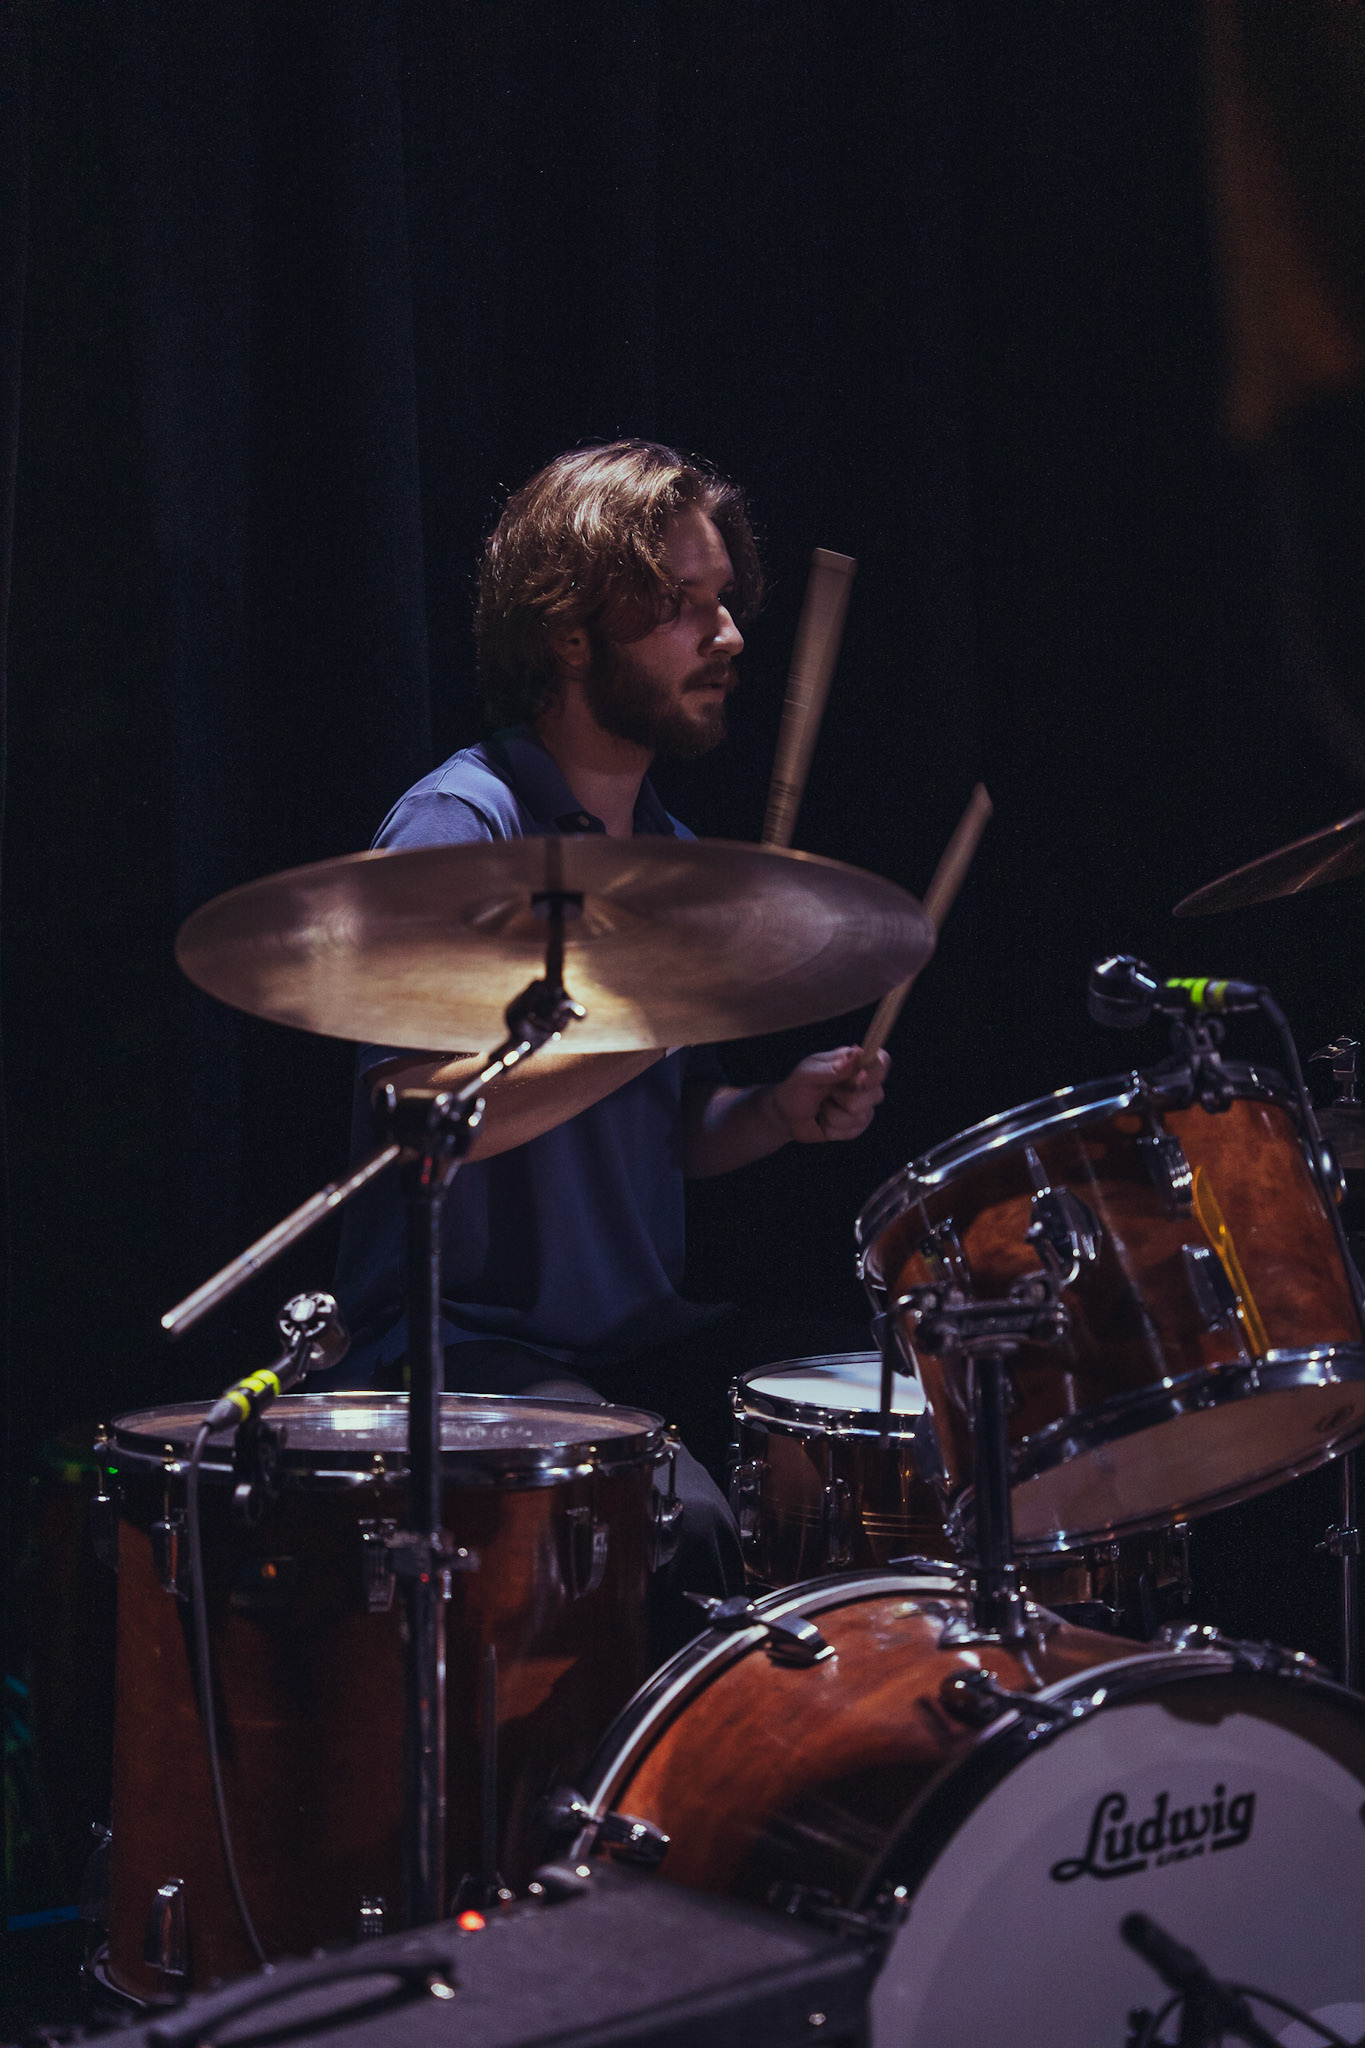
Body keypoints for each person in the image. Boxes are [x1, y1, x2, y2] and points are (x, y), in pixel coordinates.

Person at [334, 440, 889, 1646]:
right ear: (570, 633)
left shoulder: (666, 853)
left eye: (724, 601)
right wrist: (670, 1007)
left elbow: (663, 1132)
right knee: (686, 1528)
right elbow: (420, 1120)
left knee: (892, 1445)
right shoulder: (463, 824)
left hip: (632, 1341)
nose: (727, 634)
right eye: (683, 605)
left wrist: (776, 1110)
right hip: (460, 1347)